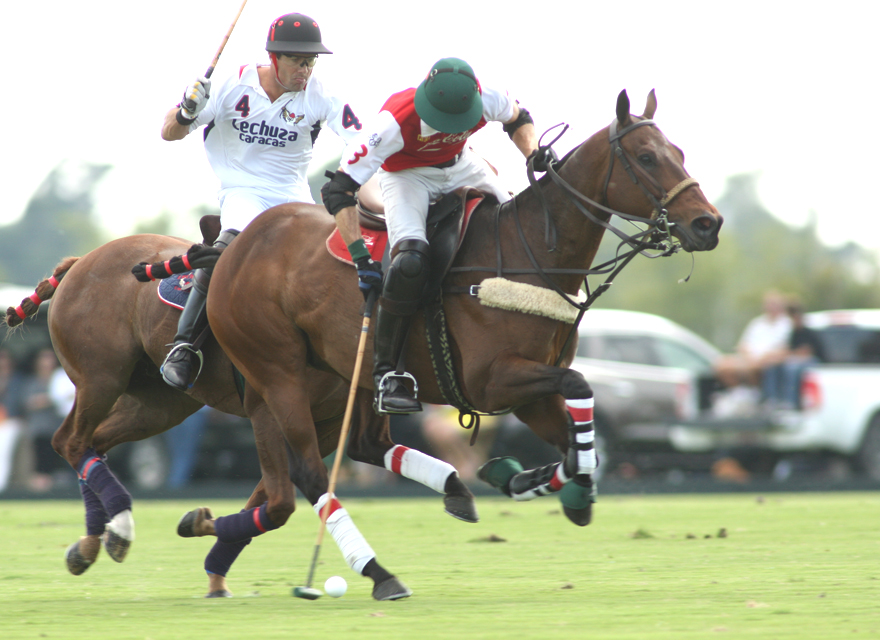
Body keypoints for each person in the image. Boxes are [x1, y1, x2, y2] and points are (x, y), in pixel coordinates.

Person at [321, 57, 555, 414]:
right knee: (410, 264)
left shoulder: (487, 97)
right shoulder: (391, 125)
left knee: (518, 228)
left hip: (462, 165)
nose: (447, 127)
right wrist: (360, 258)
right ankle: (387, 374)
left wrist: (533, 153)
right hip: (406, 177)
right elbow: (337, 191)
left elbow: (519, 118)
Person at [159, 12, 364, 391]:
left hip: (293, 195)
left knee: (335, 259)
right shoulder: (230, 84)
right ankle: (185, 346)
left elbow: (361, 140)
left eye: (311, 61)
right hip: (242, 191)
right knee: (226, 251)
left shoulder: (321, 94)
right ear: (274, 58)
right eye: (298, 61)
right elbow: (169, 132)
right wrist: (187, 110)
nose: (306, 69)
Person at [714, 290, 793, 390]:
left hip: (768, 359)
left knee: (753, 368)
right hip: (750, 358)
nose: (771, 307)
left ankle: (754, 392)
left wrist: (762, 358)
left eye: (774, 304)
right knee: (722, 365)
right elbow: (743, 344)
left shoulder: (786, 324)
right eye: (769, 304)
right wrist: (749, 357)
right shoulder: (757, 323)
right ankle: (737, 391)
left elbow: (785, 348)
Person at [762, 300, 826, 410]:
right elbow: (788, 350)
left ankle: (790, 402)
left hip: (812, 361)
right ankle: (772, 400)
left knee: (791, 369)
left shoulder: (809, 332)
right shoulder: (792, 333)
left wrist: (791, 354)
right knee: (773, 367)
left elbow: (806, 352)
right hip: (795, 360)